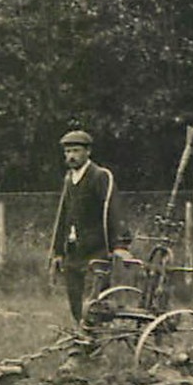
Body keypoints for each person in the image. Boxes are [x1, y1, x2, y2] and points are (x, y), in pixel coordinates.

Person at [49, 130, 132, 323]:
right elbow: (62, 215)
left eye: (76, 151)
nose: (71, 156)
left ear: (88, 152)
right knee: (75, 297)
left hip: (96, 249)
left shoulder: (100, 176)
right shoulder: (69, 179)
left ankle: (92, 340)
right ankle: (82, 337)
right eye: (68, 151)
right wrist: (58, 251)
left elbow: (114, 209)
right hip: (74, 250)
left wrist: (120, 244)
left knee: (94, 300)